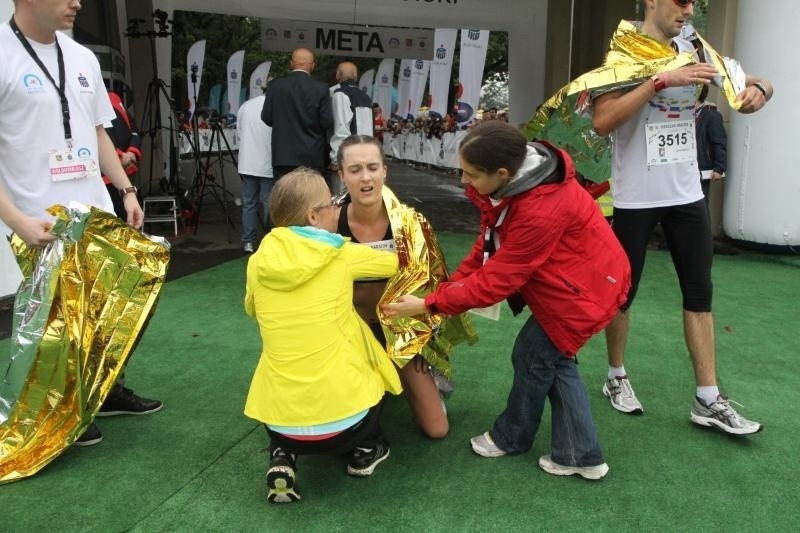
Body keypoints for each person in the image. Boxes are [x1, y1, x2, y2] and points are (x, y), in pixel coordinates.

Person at [382, 121, 631, 480]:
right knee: (551, 361)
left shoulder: (538, 208)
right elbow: (488, 247)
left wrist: (428, 304)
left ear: (501, 173)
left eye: (471, 174)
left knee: (534, 357)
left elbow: (498, 277)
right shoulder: (519, 184)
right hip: (580, 284)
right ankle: (579, 453)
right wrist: (449, 288)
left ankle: (515, 437)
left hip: (583, 293)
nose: (464, 181)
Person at [591, 0, 771, 433]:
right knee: (622, 294)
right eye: (681, 0)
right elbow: (602, 121)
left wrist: (759, 92)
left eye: (694, 2)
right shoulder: (624, 51)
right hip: (635, 196)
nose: (689, 9)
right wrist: (659, 81)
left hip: (687, 192)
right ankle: (616, 375)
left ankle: (707, 398)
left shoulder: (697, 47)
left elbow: (760, 79)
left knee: (699, 292)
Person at [0, 0, 162, 447]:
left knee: (105, 311)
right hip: (39, 220)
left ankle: (106, 391)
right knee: (55, 323)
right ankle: (64, 412)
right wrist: (16, 221)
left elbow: (97, 132)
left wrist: (126, 190)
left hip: (95, 214)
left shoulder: (82, 56)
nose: (77, 3)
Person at [243, 168, 401, 504]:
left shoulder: (257, 262)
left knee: (280, 378)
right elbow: (396, 263)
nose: (338, 208)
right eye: (333, 203)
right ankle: (365, 451)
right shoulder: (341, 255)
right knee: (373, 362)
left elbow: (252, 310)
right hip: (347, 427)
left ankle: (283, 457)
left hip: (280, 423)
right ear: (314, 216)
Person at [335, 135, 474, 439]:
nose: (366, 177)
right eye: (355, 169)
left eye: (372, 167)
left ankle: (415, 375)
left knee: (437, 429)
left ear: (385, 171)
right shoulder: (327, 224)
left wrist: (419, 339)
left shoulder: (410, 223)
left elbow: (432, 283)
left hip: (398, 332)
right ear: (341, 174)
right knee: (343, 425)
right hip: (347, 334)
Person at [261, 48, 333, 179]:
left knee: (284, 197)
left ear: (291, 63)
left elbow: (266, 117)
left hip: (283, 156)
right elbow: (326, 121)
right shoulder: (321, 88)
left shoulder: (275, 85)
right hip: (312, 155)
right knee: (311, 198)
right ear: (312, 65)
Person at [237, 88, 274, 253]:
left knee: (249, 203)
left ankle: (248, 241)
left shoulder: (246, 106)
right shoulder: (276, 105)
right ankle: (269, 239)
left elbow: (239, 133)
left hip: (247, 162)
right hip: (268, 162)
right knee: (269, 203)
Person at [328, 62, 374, 178]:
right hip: (367, 155)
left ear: (338, 75)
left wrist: (336, 160)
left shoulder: (340, 94)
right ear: (356, 76)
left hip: (349, 159)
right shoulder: (366, 97)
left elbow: (341, 129)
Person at [103, 89, 142, 219]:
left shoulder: (114, 97)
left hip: (126, 174)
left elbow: (133, 129)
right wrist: (119, 156)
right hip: (103, 178)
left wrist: (132, 151)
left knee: (129, 222)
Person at [695, 85, 727, 209]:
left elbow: (719, 141)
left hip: (702, 168)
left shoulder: (712, 115)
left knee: (700, 205)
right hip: (684, 168)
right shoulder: (683, 113)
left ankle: (703, 228)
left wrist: (719, 168)